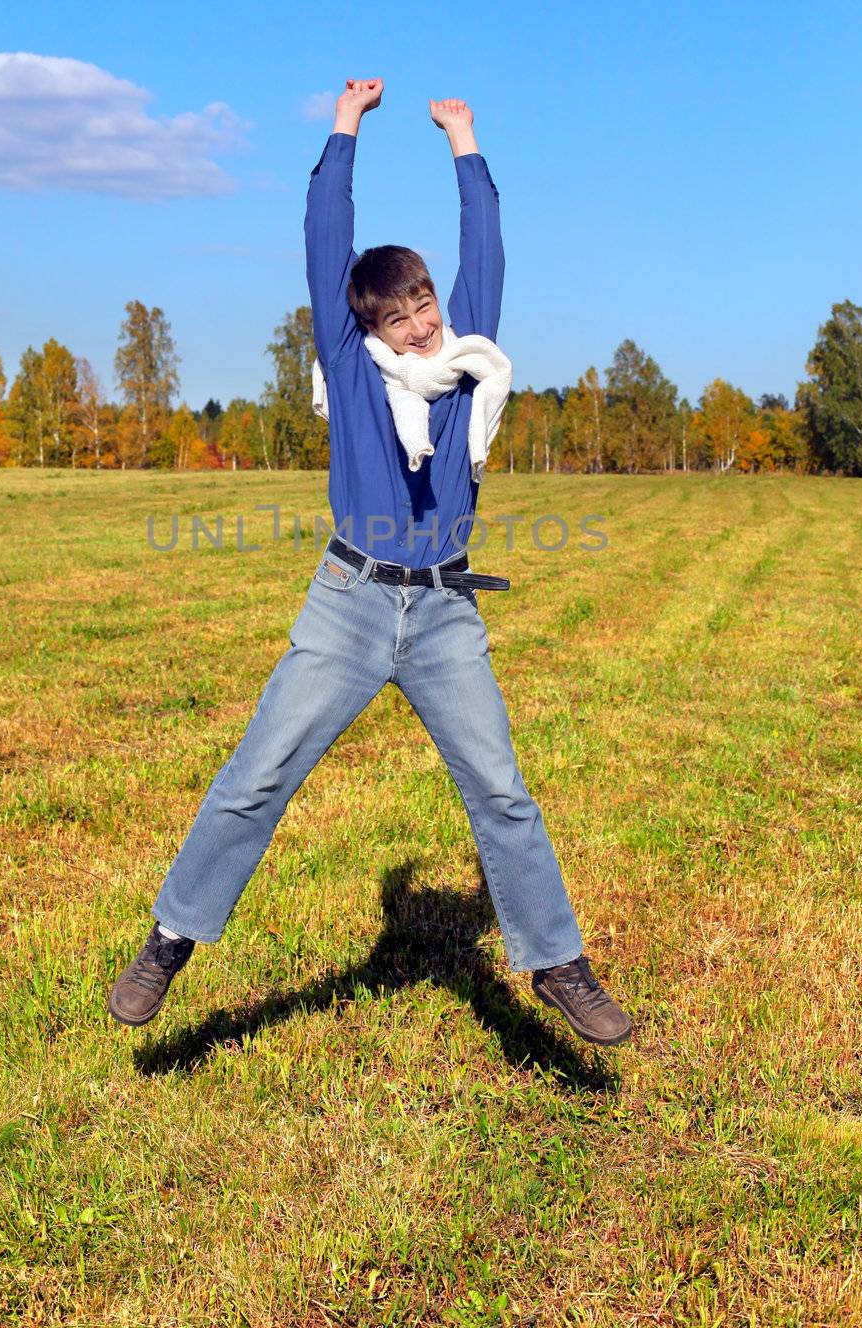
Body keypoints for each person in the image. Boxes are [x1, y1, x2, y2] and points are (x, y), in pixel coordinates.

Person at [108, 78, 633, 1048]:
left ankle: (556, 961)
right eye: (400, 317)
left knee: (501, 790)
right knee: (258, 773)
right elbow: (322, 234)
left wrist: (463, 139)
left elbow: (488, 242)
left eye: (426, 304)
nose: (424, 326)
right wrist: (343, 129)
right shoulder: (350, 369)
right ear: (368, 328)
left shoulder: (469, 358)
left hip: (443, 611)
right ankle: (171, 937)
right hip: (348, 601)